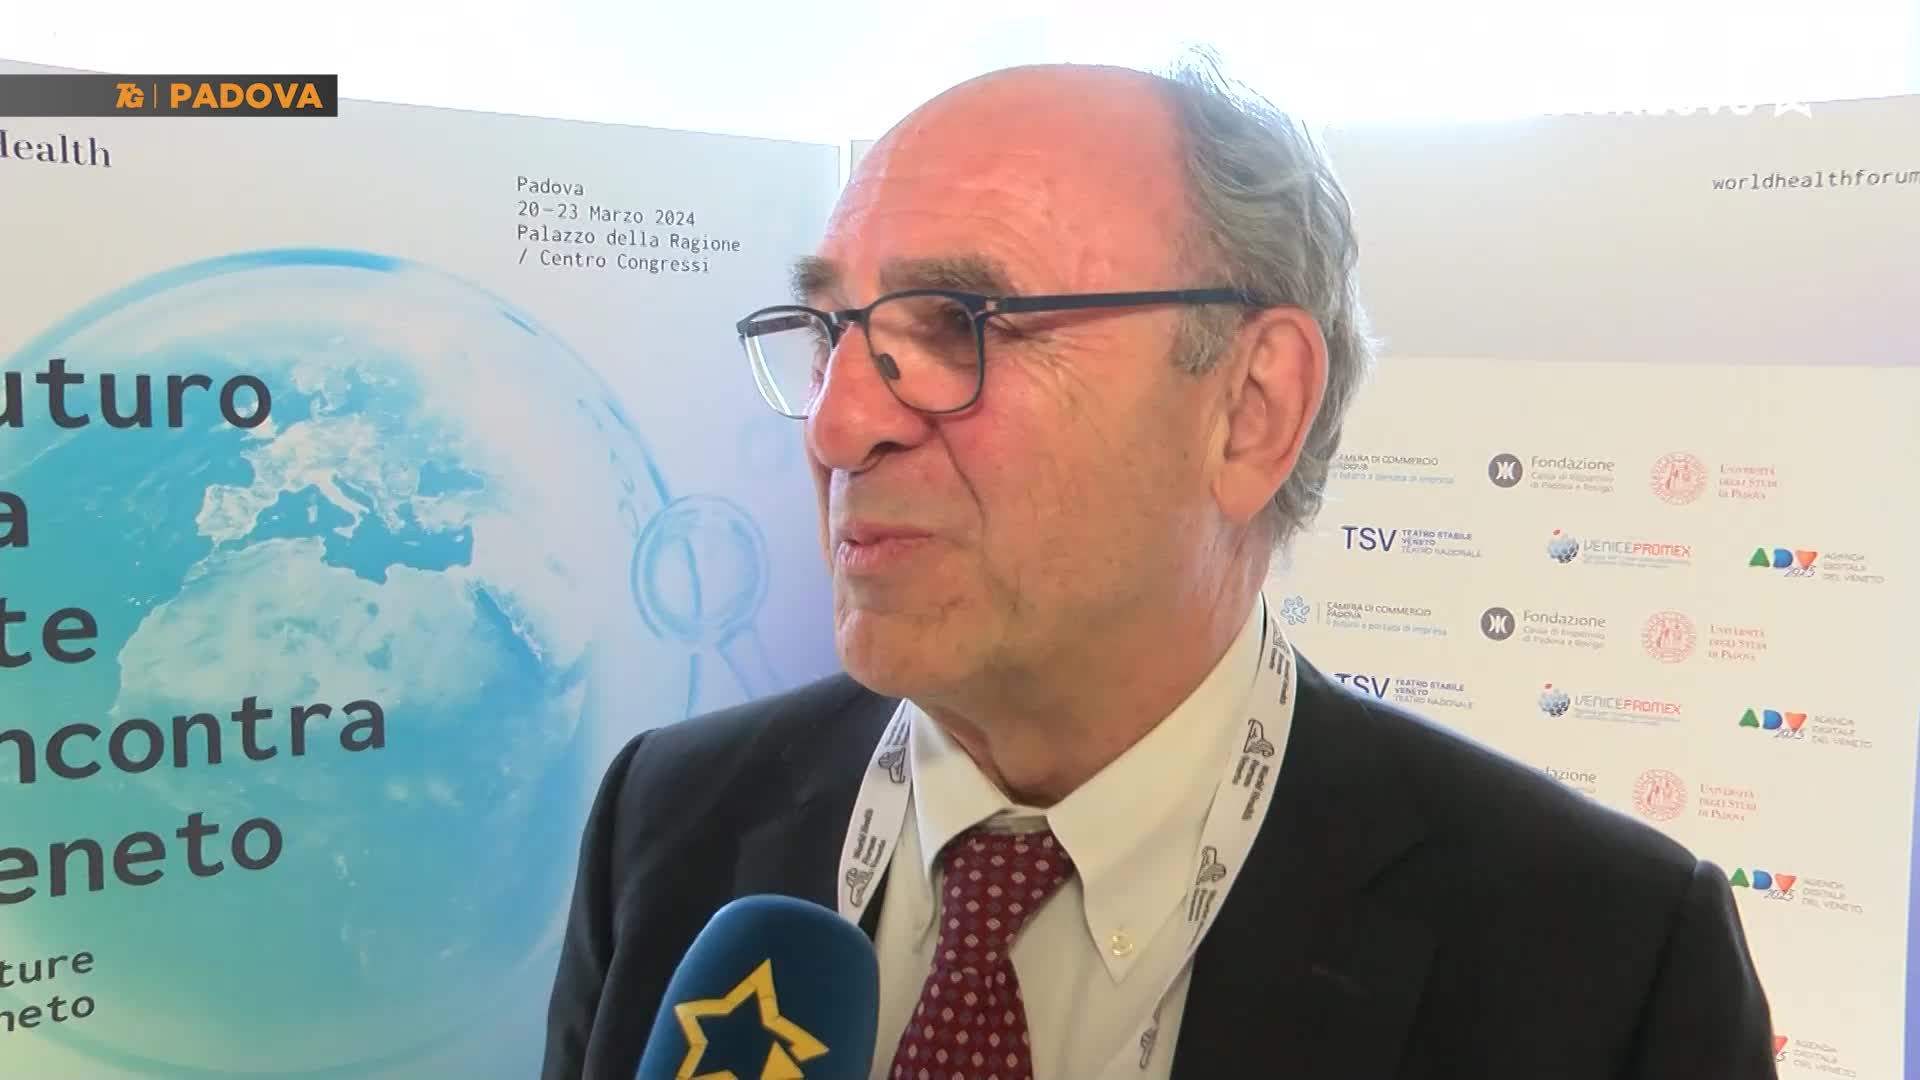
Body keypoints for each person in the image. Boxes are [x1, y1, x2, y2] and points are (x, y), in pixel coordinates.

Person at [541, 55, 1778, 1080]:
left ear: (1249, 409)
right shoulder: (669, 820)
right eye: (830, 334)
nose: (837, 424)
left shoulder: (1606, 964)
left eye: (957, 325)